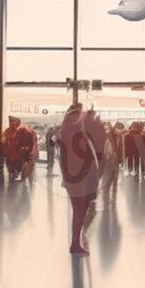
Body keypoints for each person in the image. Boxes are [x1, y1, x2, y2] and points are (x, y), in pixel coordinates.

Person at [59, 103, 99, 255]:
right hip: (78, 178)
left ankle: (76, 242)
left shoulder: (73, 132)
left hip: (80, 178)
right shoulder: (73, 134)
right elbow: (78, 158)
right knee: (79, 210)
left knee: (80, 210)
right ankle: (75, 243)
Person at [5, 116, 37, 182]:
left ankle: (21, 175)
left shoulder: (22, 130)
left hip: (19, 154)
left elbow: (32, 143)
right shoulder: (8, 131)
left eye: (12, 121)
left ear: (17, 122)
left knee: (21, 166)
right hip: (12, 154)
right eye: (10, 121)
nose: (10, 123)